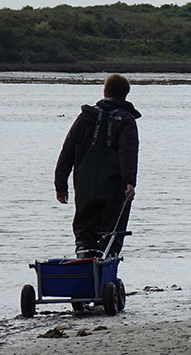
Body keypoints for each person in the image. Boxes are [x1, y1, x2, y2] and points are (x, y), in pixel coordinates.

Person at [54, 74, 140, 258]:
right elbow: (128, 153)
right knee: (112, 232)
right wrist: (130, 182)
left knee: (84, 232)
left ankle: (84, 260)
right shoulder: (126, 120)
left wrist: (60, 185)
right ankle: (105, 266)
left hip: (85, 187)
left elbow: (67, 152)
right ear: (125, 95)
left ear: (104, 91)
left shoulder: (85, 118)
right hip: (113, 187)